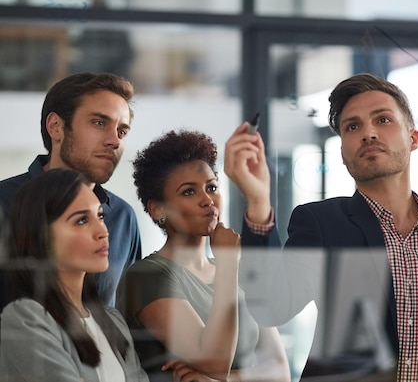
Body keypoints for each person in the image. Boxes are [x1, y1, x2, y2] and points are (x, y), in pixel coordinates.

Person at [225, 73, 418, 382]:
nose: (368, 133)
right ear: (342, 152)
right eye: (352, 127)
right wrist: (258, 199)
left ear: (413, 138)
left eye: (383, 120)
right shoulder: (322, 223)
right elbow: (272, 307)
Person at [117, 130, 291, 382]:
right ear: (157, 209)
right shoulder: (149, 275)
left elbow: (280, 371)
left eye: (212, 187)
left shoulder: (239, 272)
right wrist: (228, 262)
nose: (208, 200)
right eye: (189, 192)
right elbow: (215, 361)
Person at [0, 72, 142, 308]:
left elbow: (127, 321)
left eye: (122, 131)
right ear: (56, 127)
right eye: (99, 123)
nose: (115, 141)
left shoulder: (122, 218)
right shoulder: (4, 203)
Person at [0, 168, 148, 382]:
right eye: (81, 221)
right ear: (42, 236)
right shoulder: (24, 318)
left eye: (100, 216)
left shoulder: (113, 321)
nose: (103, 231)